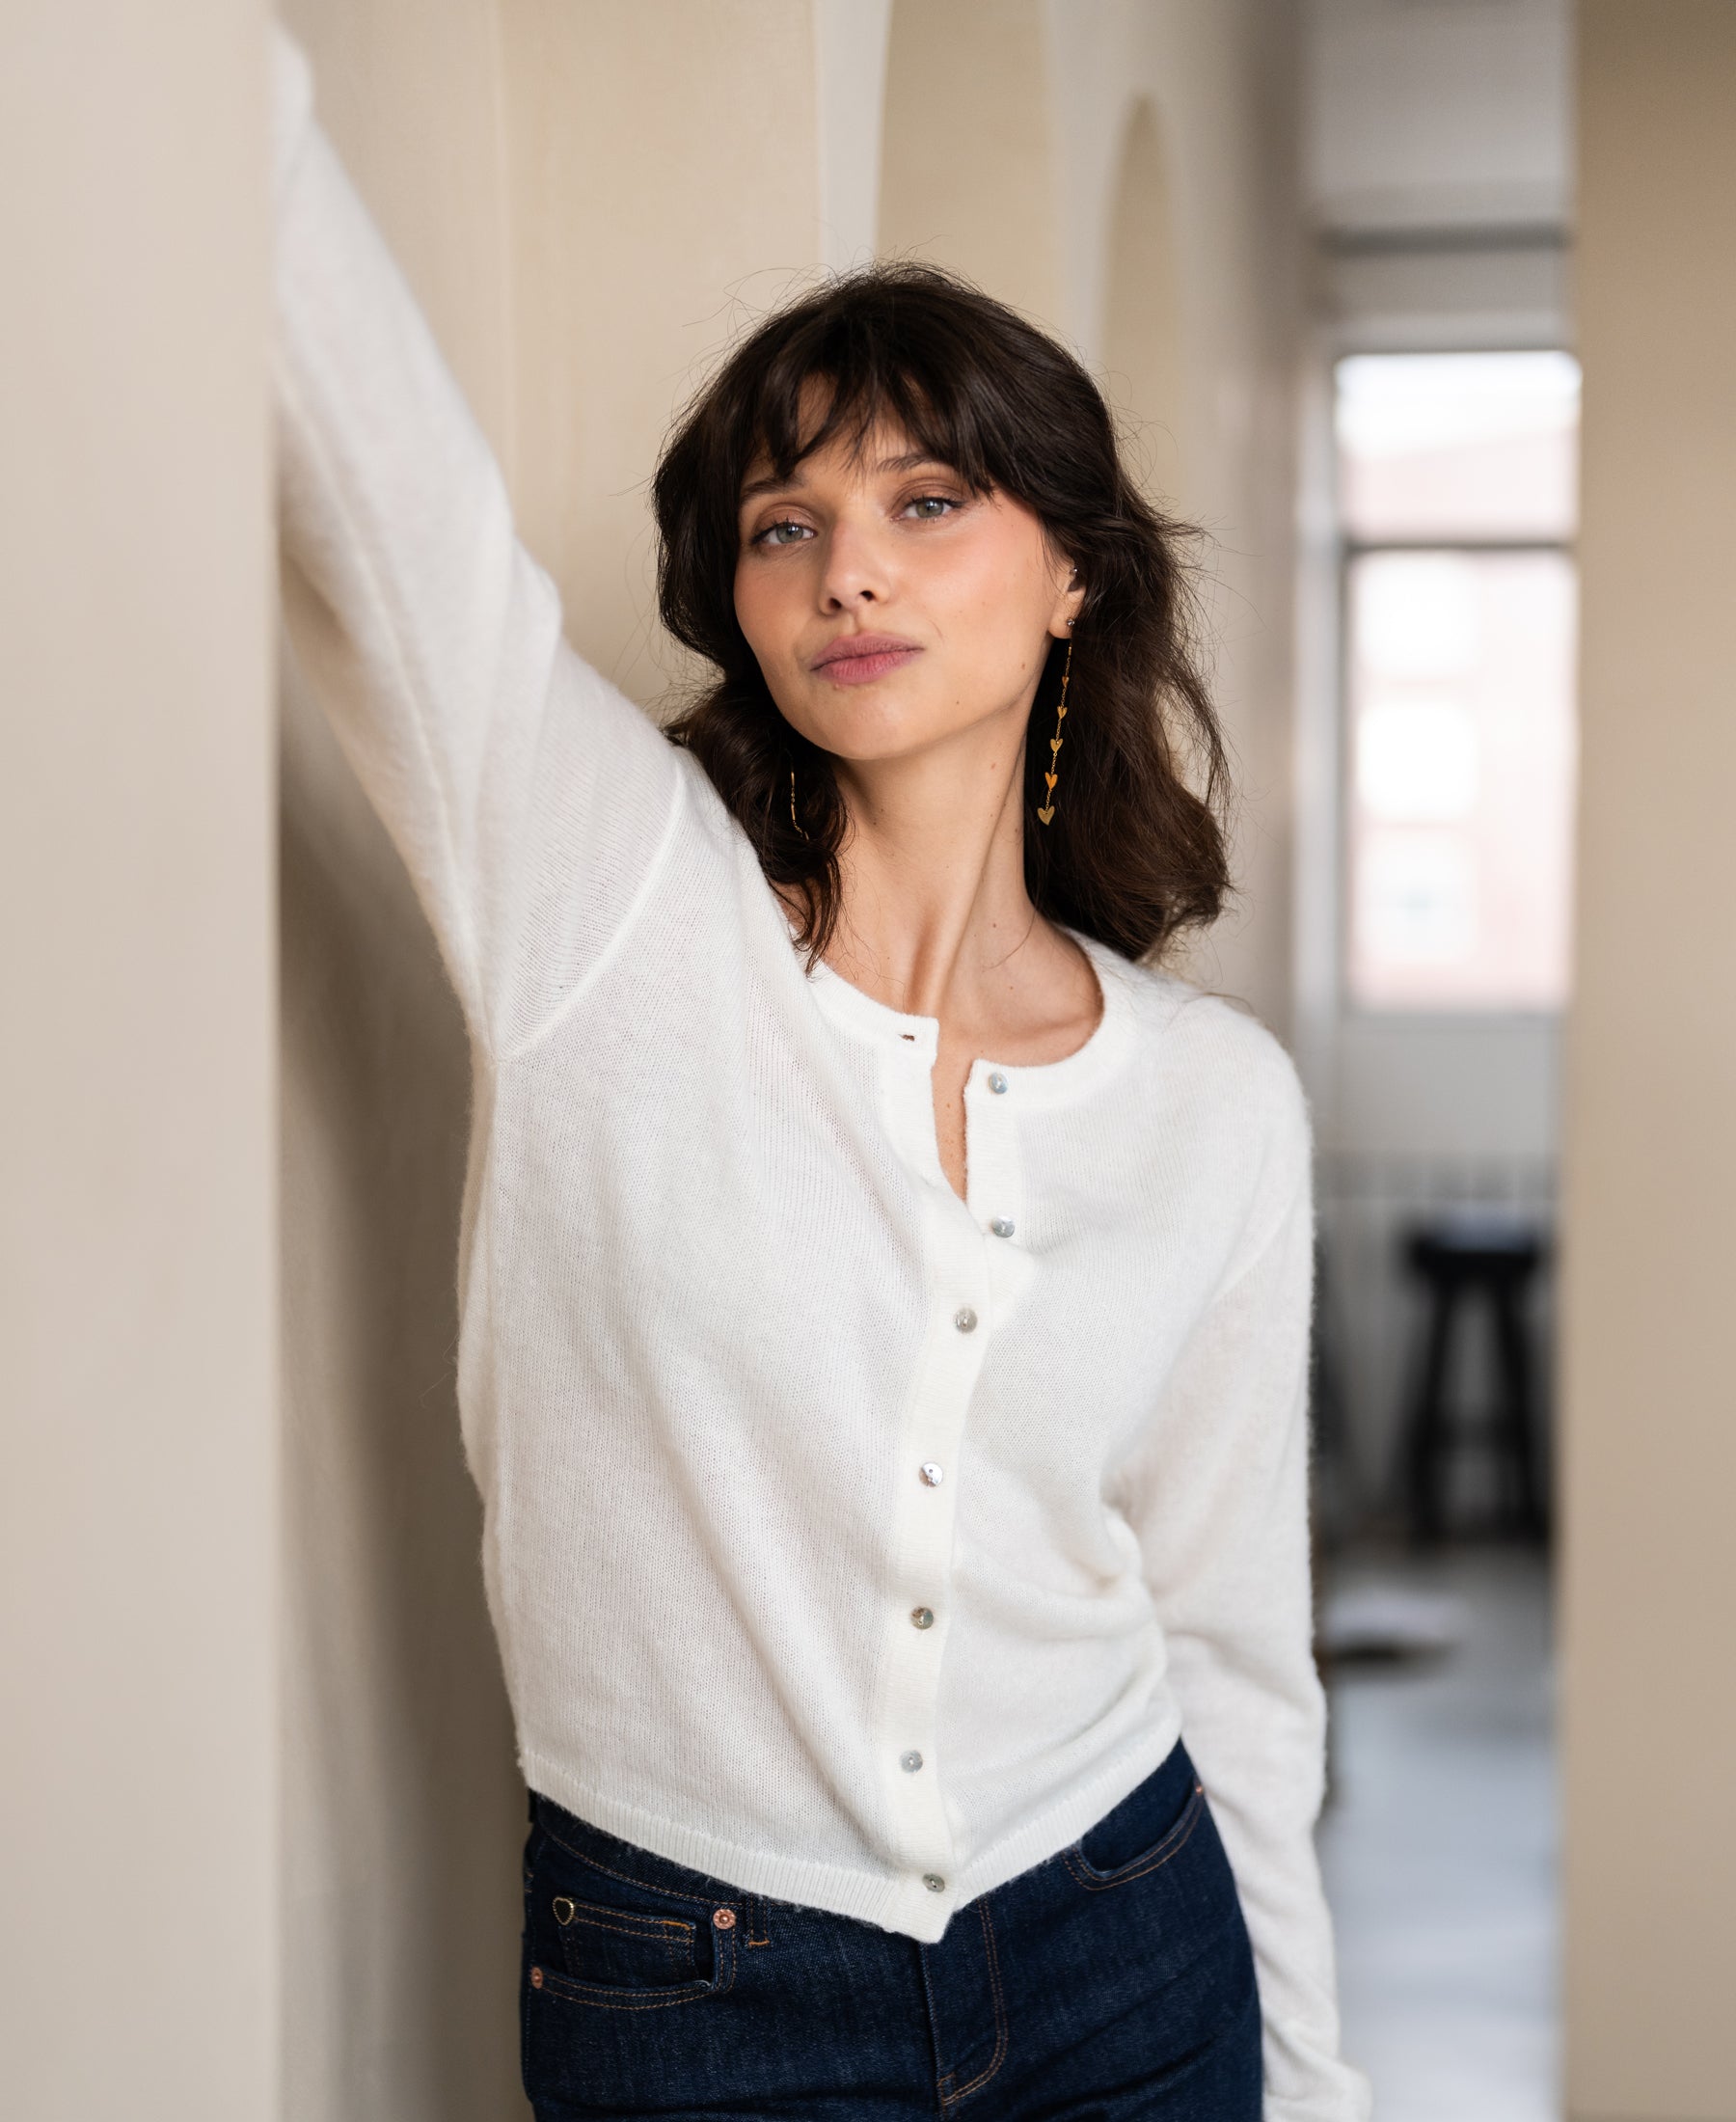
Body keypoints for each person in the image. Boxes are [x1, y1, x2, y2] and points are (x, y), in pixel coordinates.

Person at [272, 27, 1368, 2122]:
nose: (848, 563)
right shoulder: (609, 911)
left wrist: (1314, 2090)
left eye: (928, 500)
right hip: (696, 1993)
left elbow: (1237, 1652)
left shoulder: (1218, 1107)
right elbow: (381, 490)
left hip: (1132, 1932)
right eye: (787, 522)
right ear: (742, 603)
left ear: (1073, 574)